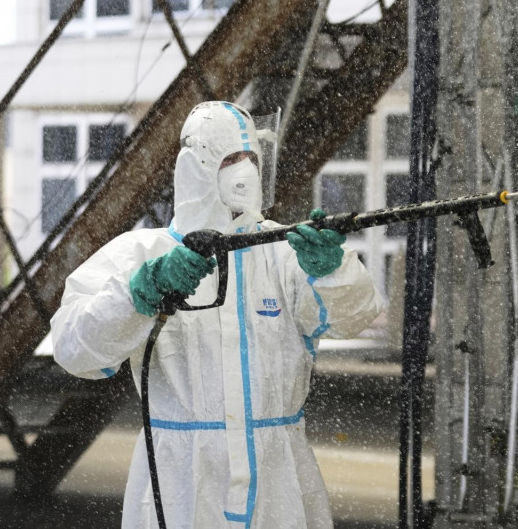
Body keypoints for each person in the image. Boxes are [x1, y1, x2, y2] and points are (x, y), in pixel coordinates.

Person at [50, 101, 384, 528]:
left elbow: (354, 316)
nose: (243, 171)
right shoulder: (142, 254)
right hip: (181, 481)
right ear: (195, 169)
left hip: (279, 476)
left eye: (251, 159)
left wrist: (332, 271)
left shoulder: (284, 253)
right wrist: (140, 292)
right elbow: (74, 349)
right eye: (229, 159)